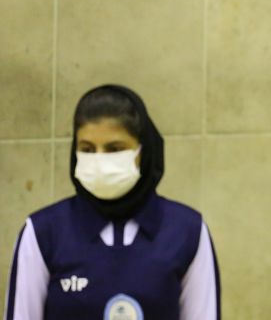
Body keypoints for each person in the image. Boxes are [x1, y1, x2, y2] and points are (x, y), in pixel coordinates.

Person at [4, 84, 221, 320]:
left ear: (144, 151)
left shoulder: (187, 232)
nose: (99, 161)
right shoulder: (43, 232)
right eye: (87, 149)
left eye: (114, 149)